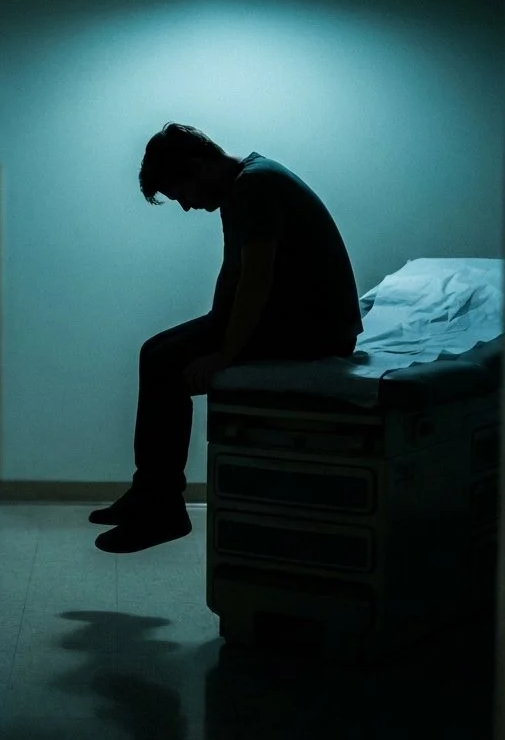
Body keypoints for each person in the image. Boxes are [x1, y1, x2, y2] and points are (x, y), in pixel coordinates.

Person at [92, 123, 363, 554]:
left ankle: (162, 508)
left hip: (315, 332)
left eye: (181, 194)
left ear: (198, 166)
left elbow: (257, 278)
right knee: (155, 351)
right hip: (293, 319)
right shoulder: (245, 183)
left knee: (166, 363)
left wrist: (224, 355)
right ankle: (149, 492)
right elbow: (235, 272)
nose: (186, 206)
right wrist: (217, 324)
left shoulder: (254, 186)